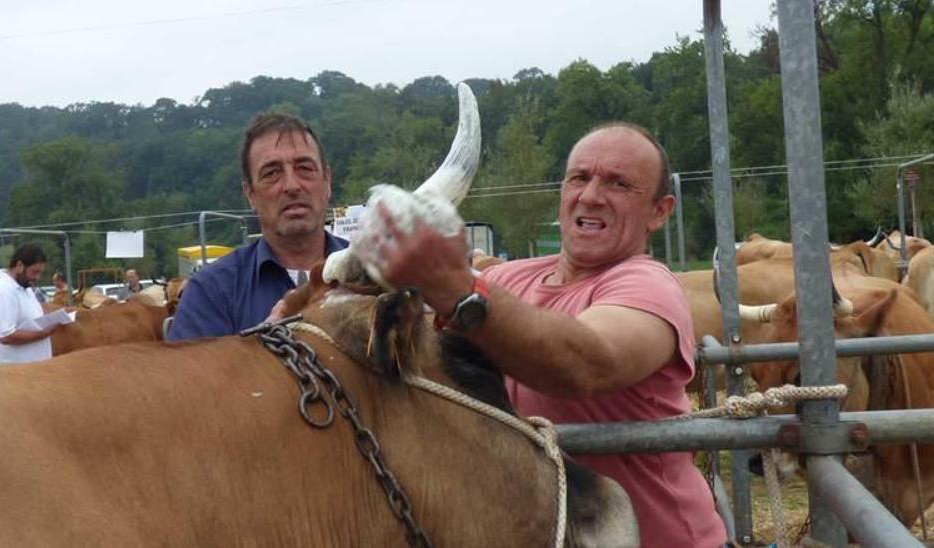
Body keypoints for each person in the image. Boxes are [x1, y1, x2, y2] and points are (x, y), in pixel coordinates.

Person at [367, 123, 727, 547]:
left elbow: (586, 363)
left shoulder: (648, 285)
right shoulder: (509, 276)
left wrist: (455, 287)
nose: (591, 195)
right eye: (579, 177)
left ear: (659, 211)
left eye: (619, 183)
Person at [168, 113, 347, 340]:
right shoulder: (211, 292)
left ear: (327, 181)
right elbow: (190, 375)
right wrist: (259, 348)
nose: (292, 186)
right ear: (250, 194)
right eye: (272, 173)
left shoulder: (371, 274)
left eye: (305, 168)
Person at [0, 244, 60, 365]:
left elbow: (28, 319)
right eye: (35, 272)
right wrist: (44, 333)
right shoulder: (3, 291)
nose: (37, 277)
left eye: (40, 273)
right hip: (14, 373)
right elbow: (6, 336)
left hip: (30, 371)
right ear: (19, 266)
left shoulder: (23, 287)